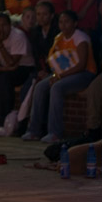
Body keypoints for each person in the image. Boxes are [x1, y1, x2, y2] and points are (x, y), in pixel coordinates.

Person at [22, 10, 97, 143]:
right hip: (63, 73)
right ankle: (34, 131)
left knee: (57, 87)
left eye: (67, 22)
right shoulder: (59, 38)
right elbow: (55, 60)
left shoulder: (80, 38)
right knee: (40, 86)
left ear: (75, 23)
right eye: (61, 22)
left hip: (83, 74)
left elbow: (81, 64)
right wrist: (54, 74)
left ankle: (55, 132)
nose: (63, 25)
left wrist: (59, 76)